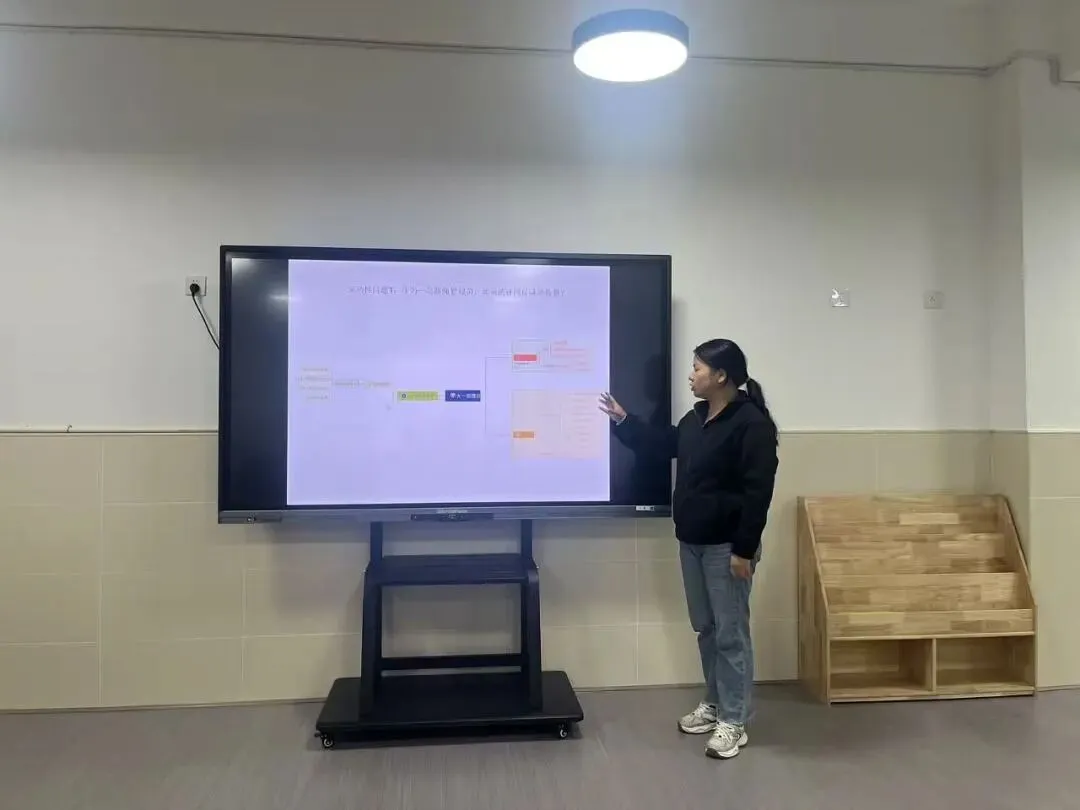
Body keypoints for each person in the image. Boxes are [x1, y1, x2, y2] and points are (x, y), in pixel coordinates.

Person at [599, 338, 778, 760]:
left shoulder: (751, 424)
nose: (691, 375)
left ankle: (734, 720)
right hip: (692, 542)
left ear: (721, 376)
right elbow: (664, 445)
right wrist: (624, 420)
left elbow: (758, 493)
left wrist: (743, 550)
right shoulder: (696, 418)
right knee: (707, 628)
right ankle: (715, 704)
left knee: (731, 635)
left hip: (727, 548)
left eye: (697, 368)